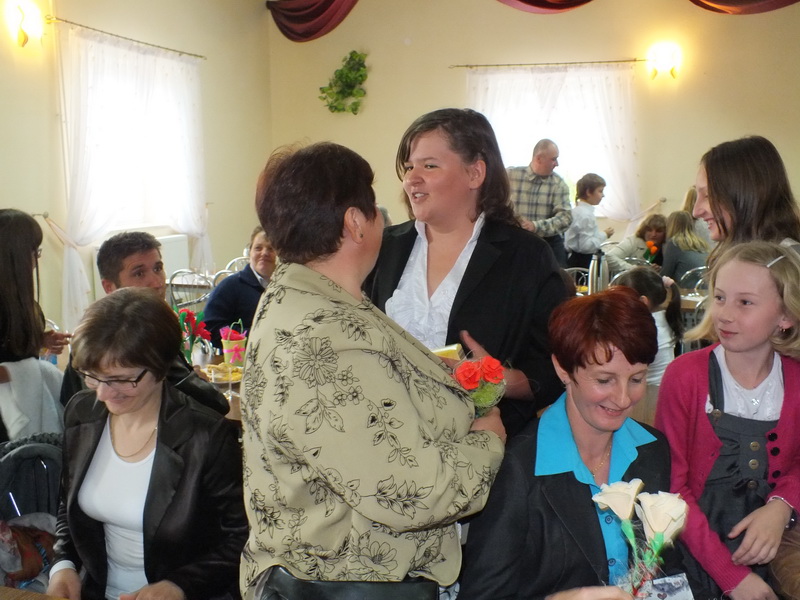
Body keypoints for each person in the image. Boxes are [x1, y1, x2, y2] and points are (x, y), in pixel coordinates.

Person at [240, 142, 506, 600]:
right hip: (352, 581)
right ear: (355, 222)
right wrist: (488, 440)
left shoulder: (307, 297)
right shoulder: (326, 335)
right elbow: (410, 492)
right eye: (375, 207)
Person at [366, 109, 569, 438]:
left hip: (485, 446)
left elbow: (557, 367)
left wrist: (498, 380)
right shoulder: (385, 247)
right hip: (389, 442)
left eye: (429, 165)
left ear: (475, 173)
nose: (411, 179)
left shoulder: (526, 256)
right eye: (409, 167)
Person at [460, 286, 671, 600]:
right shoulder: (516, 469)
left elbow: (667, 571)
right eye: (604, 380)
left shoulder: (653, 450)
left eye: (637, 379)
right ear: (563, 369)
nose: (623, 398)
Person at [47, 287, 248, 600]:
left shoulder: (206, 437)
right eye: (93, 376)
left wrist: (179, 586)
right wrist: (63, 565)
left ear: (161, 366)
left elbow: (243, 538)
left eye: (121, 379)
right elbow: (68, 504)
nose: (102, 393)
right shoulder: (82, 412)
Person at [655, 241, 800, 600]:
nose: (724, 314)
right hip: (694, 552)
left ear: (785, 316)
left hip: (776, 549)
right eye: (720, 298)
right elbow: (672, 487)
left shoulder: (796, 381)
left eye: (745, 302)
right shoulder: (684, 376)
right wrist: (731, 576)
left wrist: (781, 506)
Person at [58, 231, 228, 415]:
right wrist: (200, 384)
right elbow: (215, 405)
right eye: (139, 273)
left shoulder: (91, 330)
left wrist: (193, 379)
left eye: (158, 268)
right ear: (109, 287)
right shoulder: (139, 336)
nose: (156, 283)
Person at [0, 209, 65, 443]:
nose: (37, 258)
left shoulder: (22, 301)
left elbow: (9, 348)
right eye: (34, 250)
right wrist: (28, 370)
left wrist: (40, 340)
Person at [693, 135, 800, 267]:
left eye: (708, 195)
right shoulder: (751, 260)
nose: (696, 212)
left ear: (747, 194)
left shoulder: (781, 266)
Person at [613, 267, 683, 425]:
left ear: (643, 302)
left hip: (650, 396)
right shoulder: (663, 318)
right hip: (661, 389)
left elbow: (624, 364)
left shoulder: (646, 329)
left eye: (622, 300)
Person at [204, 226, 275, 349]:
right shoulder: (230, 286)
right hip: (238, 357)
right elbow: (211, 327)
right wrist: (253, 336)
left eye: (271, 248)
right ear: (249, 253)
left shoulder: (285, 288)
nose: (264, 253)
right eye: (258, 248)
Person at [507, 138, 573, 266]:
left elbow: (566, 218)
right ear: (539, 159)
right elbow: (493, 203)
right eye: (553, 159)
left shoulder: (559, 184)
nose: (557, 164)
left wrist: (536, 226)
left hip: (547, 246)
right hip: (514, 245)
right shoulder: (510, 176)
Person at [565, 172, 615, 268]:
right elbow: (586, 246)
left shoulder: (576, 211)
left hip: (573, 259)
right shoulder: (586, 215)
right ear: (588, 192)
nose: (603, 195)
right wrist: (605, 234)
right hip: (582, 262)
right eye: (600, 191)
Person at [661, 210, 710, 283]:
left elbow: (665, 275)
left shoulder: (674, 243)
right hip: (704, 285)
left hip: (686, 287)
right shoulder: (701, 243)